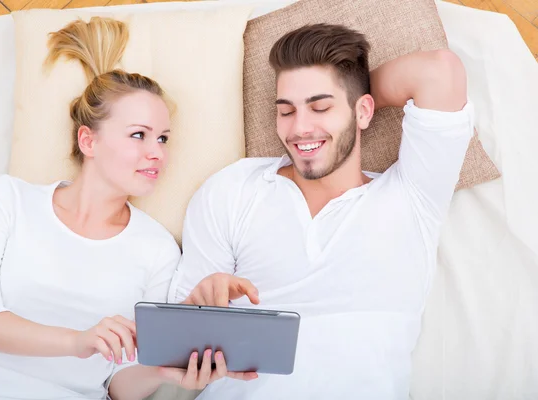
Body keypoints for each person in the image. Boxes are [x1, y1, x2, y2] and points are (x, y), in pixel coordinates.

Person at [0, 17, 255, 400]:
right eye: (138, 135)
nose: (157, 152)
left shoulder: (157, 248)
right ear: (88, 141)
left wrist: (164, 371)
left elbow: (119, 386)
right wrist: (78, 341)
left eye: (163, 138)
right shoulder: (7, 200)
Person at [168, 23, 473, 399]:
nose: (300, 129)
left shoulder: (411, 197)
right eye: (286, 111)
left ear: (364, 111)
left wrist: (356, 89)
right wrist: (198, 308)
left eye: (320, 106)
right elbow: (171, 347)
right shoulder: (233, 190)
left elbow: (439, 71)